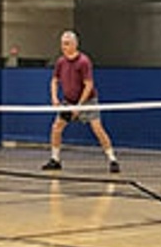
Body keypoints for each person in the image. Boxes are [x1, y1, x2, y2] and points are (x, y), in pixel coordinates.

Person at [42, 31, 120, 173]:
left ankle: (112, 159)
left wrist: (79, 106)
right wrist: (54, 97)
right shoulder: (60, 62)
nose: (63, 47)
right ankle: (55, 159)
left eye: (66, 44)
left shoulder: (84, 61)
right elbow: (54, 80)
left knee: (98, 129)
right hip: (68, 102)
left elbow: (88, 84)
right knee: (56, 128)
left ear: (74, 44)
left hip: (87, 101)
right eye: (62, 44)